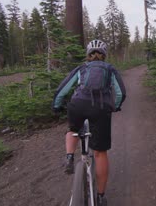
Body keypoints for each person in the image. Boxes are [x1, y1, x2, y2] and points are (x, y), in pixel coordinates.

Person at [52, 39, 126, 206]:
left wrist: (57, 106)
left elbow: (62, 89)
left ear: (88, 55)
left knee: (72, 128)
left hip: (77, 105)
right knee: (100, 153)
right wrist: (116, 106)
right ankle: (100, 197)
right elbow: (121, 92)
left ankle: (69, 157)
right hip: (100, 109)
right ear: (104, 55)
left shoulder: (81, 68)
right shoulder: (110, 69)